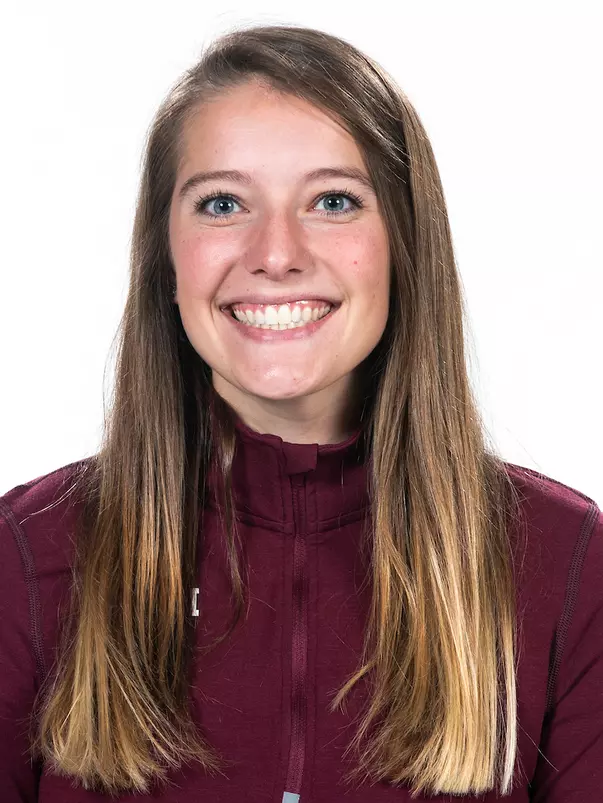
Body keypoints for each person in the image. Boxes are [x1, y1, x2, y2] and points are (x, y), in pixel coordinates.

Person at [0, 23, 601, 803]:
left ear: (403, 242)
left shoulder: (564, 564)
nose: (276, 251)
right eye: (222, 202)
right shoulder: (27, 556)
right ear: (164, 257)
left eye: (332, 201)